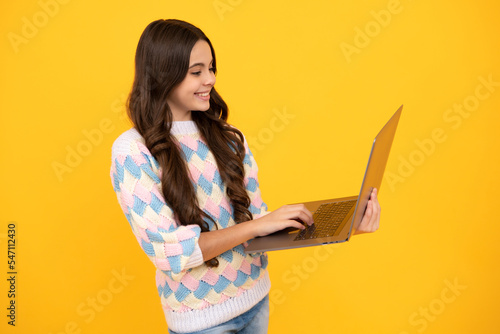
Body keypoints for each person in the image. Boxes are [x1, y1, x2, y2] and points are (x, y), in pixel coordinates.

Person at [110, 19, 381, 334]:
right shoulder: (132, 152)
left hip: (255, 301)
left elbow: (260, 225)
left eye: (212, 68)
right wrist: (257, 225)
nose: (210, 79)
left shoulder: (229, 138)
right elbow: (171, 253)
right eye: (196, 72)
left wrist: (349, 225)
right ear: (161, 75)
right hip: (202, 323)